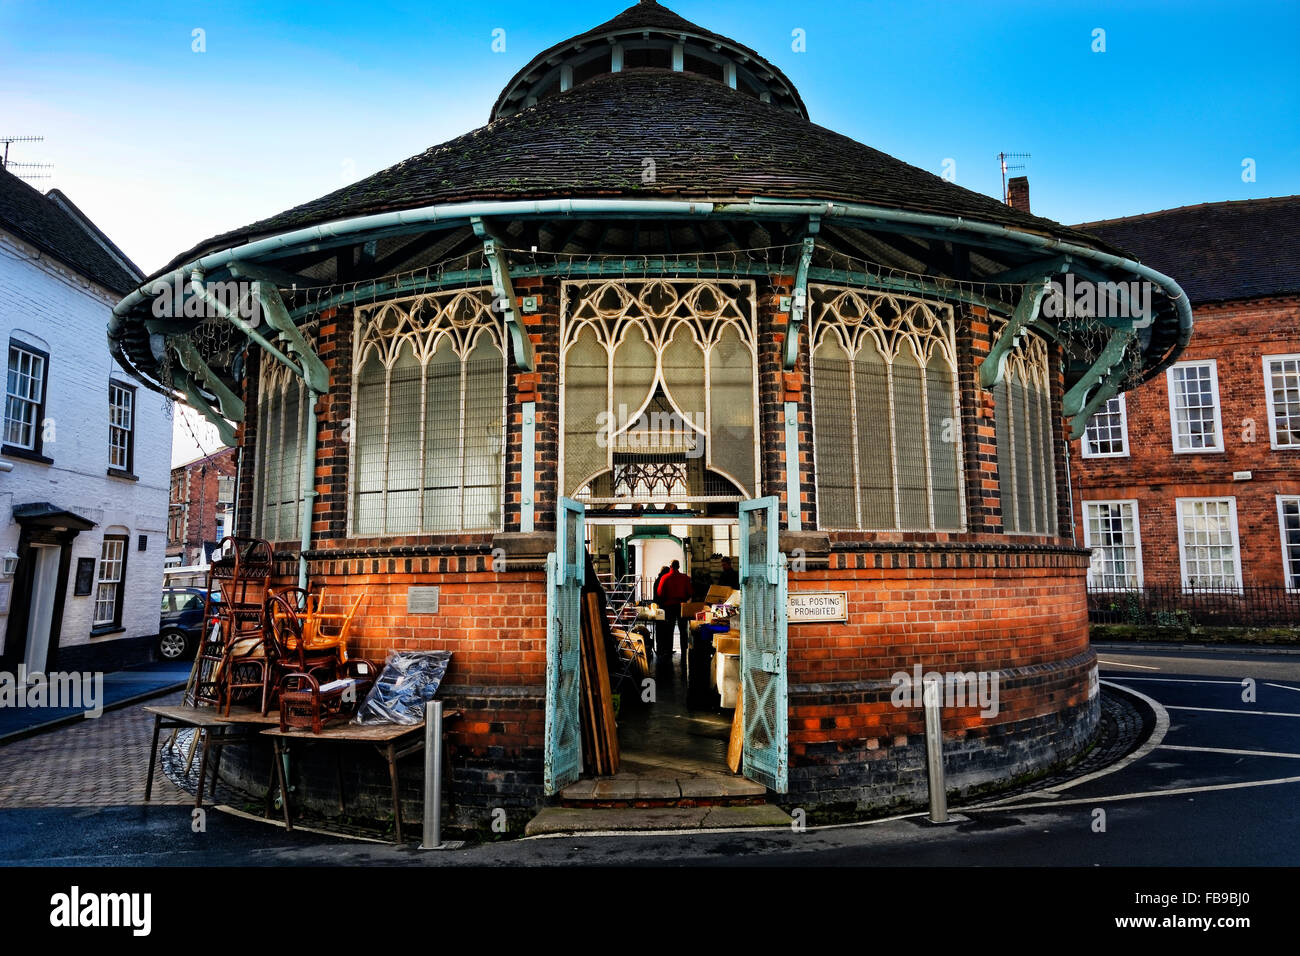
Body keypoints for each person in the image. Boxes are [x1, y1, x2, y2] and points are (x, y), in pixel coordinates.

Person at [654, 559, 693, 680]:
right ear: (679, 566)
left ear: (670, 566)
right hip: (681, 606)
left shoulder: (665, 578)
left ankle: (669, 649)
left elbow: (660, 593)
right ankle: (684, 650)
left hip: (669, 606)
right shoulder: (685, 578)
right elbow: (690, 592)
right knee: (683, 630)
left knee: (669, 630)